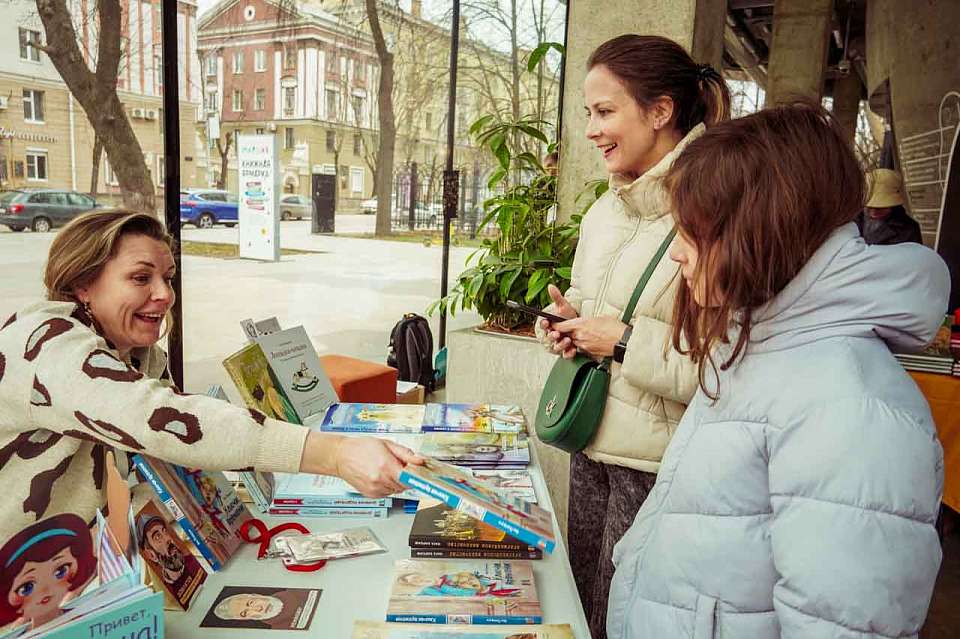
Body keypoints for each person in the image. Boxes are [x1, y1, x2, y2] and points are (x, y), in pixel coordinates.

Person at [606, 103, 949, 638]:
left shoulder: (849, 409)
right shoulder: (759, 343)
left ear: (763, 229)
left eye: (694, 232)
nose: (678, 254)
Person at [0, 209, 422, 544]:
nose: (165, 295)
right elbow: (161, 421)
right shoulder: (44, 341)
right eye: (140, 278)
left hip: (74, 577)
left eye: (167, 278)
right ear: (82, 285)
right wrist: (335, 454)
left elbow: (158, 465)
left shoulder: (141, 357)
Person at [534, 34, 729, 638]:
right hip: (591, 443)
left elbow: (727, 368)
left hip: (658, 467)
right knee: (584, 608)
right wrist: (570, 327)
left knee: (626, 620)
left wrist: (619, 341)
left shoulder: (716, 208)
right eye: (588, 113)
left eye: (604, 111)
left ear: (661, 111)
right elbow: (595, 310)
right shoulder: (605, 211)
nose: (590, 130)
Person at [856, 168, 923, 245]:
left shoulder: (908, 230)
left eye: (880, 208)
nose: (873, 212)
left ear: (892, 206)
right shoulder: (853, 221)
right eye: (869, 207)